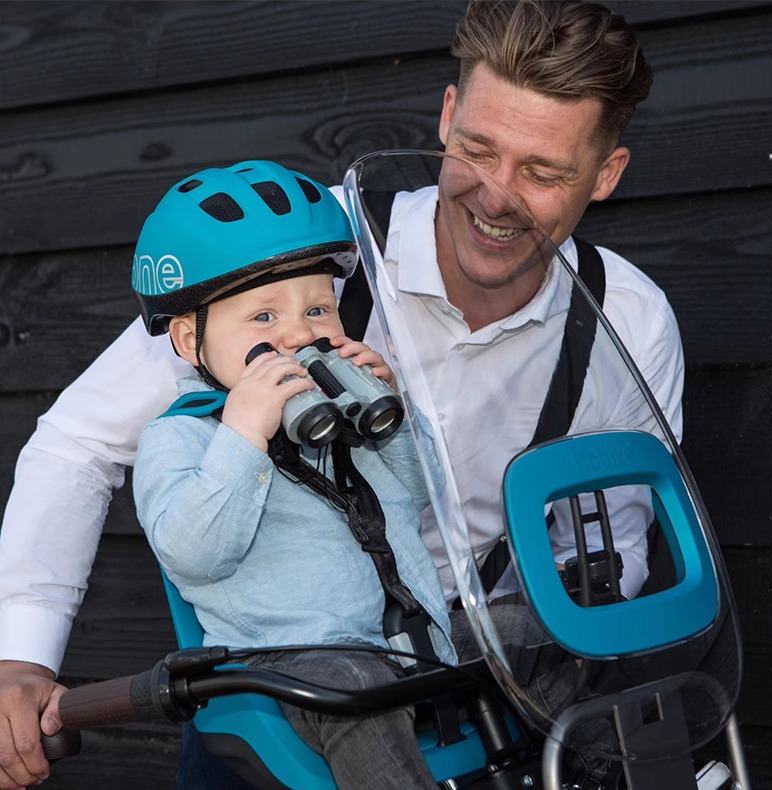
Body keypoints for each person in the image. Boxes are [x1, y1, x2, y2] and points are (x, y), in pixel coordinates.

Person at [0, 2, 683, 788]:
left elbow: (608, 550)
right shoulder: (295, 252)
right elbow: (77, 443)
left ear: (606, 175)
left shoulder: (625, 319)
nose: (496, 197)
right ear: (448, 114)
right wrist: (22, 658)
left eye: (541, 171)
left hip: (482, 700)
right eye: (479, 150)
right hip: (285, 709)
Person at [129, 160, 456, 790]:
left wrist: (391, 415)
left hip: (409, 646)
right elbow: (194, 554)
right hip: (290, 674)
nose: (301, 334)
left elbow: (422, 499)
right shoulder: (179, 439)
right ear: (185, 337)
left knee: (536, 631)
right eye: (263, 319)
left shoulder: (340, 415)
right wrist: (244, 433)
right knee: (356, 688)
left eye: (319, 309)